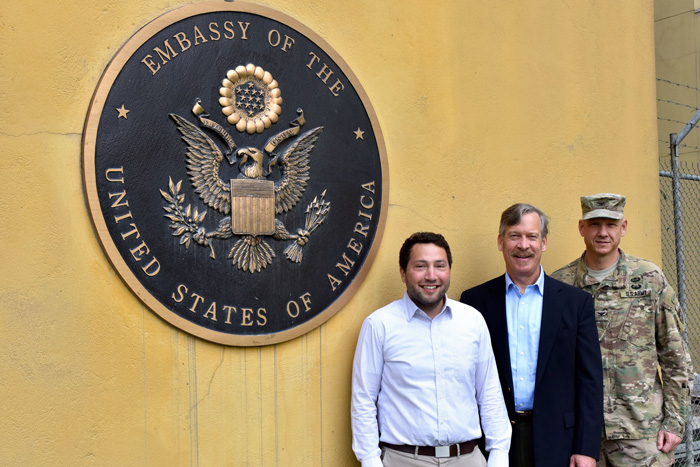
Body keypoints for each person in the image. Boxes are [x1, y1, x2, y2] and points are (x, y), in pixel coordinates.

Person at [551, 193, 692, 467]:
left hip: (642, 435)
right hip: (582, 437)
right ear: (582, 228)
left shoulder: (649, 279)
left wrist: (675, 422)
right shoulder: (560, 284)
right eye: (594, 224)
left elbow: (676, 358)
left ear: (623, 228)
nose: (603, 232)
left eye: (611, 224)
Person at [460, 203, 603, 467]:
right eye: (514, 236)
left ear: (544, 242)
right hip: (493, 442)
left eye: (532, 236)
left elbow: (589, 382)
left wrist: (586, 448)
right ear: (501, 242)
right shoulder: (474, 301)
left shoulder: (575, 303)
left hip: (558, 441)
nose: (523, 245)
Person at [351, 232, 511, 467]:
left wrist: (498, 454)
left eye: (440, 266)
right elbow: (363, 400)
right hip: (403, 460)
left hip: (467, 459)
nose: (431, 275)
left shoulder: (472, 321)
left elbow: (489, 393)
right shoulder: (379, 325)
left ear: (448, 270)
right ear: (403, 273)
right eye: (420, 266)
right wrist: (370, 461)